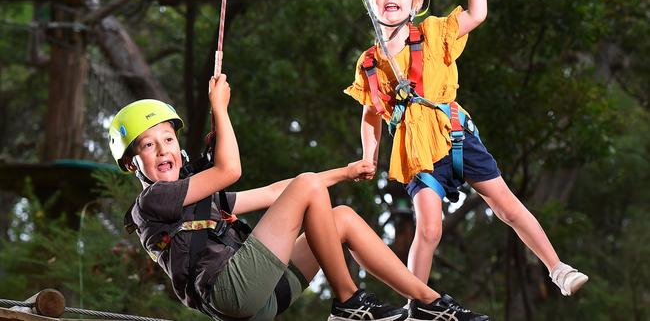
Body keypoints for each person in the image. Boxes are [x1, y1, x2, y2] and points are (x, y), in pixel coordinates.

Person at [108, 74, 490, 321]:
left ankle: (429, 303)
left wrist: (345, 171)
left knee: (340, 217)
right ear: (132, 164)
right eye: (147, 145)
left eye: (168, 140)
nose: (162, 151)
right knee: (308, 185)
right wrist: (220, 109)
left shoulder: (194, 194)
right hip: (229, 291)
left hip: (263, 299)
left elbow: (276, 193)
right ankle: (348, 302)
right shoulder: (152, 203)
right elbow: (230, 171)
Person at [344, 0, 588, 297]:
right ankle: (418, 304)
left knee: (505, 204)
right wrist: (369, 155)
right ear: (369, 0)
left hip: (454, 135)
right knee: (429, 229)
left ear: (417, 2)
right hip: (417, 152)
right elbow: (371, 112)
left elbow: (477, 15)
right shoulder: (369, 63)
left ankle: (557, 268)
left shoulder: (431, 34)